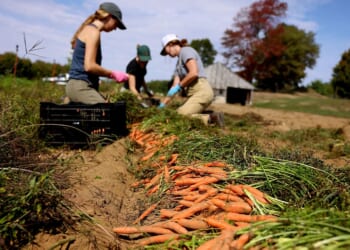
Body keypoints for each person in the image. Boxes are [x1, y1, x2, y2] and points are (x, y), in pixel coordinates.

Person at [66, 2, 129, 104]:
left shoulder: (89, 30)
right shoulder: (93, 32)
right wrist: (113, 74)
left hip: (79, 86)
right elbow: (89, 66)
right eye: (116, 23)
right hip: (80, 86)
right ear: (109, 16)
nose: (116, 28)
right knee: (108, 113)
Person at [159, 34, 224, 127]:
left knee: (180, 116)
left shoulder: (186, 51)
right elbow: (174, 87)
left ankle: (211, 119)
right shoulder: (178, 64)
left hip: (202, 92)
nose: (167, 54)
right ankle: (210, 115)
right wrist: (163, 104)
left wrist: (179, 86)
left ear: (169, 45)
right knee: (178, 115)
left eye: (165, 50)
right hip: (194, 94)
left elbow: (194, 73)